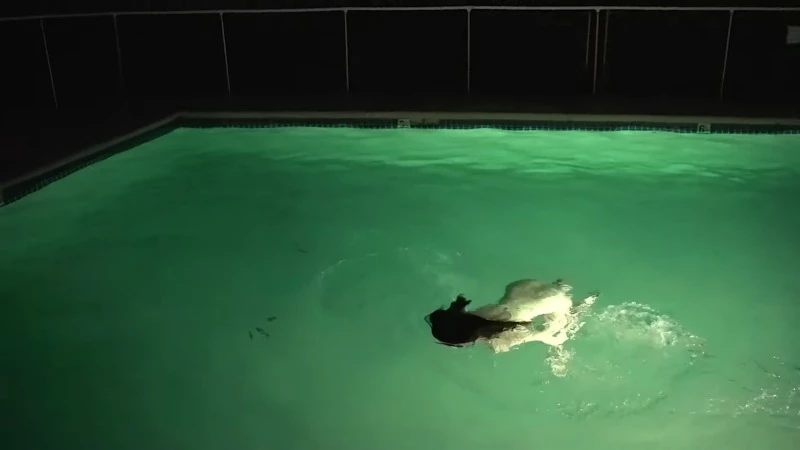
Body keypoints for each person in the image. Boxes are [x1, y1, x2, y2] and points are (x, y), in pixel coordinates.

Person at [424, 279, 599, 353]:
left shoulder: (496, 341)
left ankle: (575, 303)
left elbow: (533, 334)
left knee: (564, 322)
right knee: (560, 310)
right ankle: (562, 291)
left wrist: (550, 338)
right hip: (526, 290)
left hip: (549, 302)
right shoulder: (482, 316)